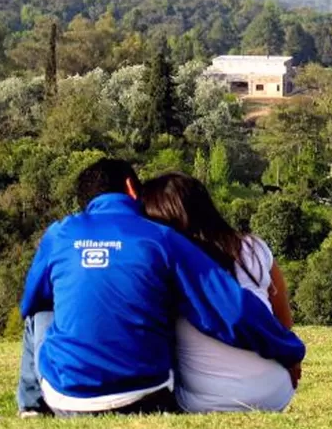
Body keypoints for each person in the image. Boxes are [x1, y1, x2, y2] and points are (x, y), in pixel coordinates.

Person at [17, 159, 305, 417]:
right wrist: (290, 350)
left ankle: (31, 408)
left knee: (39, 313)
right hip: (146, 397)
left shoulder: (59, 234)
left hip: (67, 400)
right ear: (132, 188)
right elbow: (232, 310)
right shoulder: (162, 237)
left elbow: (31, 302)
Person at [141, 173, 299, 412]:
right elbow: (284, 321)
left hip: (204, 402)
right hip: (276, 391)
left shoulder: (163, 265)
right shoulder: (254, 248)